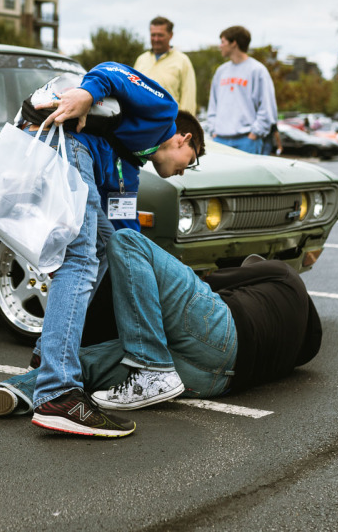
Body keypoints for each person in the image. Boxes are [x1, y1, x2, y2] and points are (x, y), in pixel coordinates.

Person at [0, 229, 321, 418]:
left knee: (128, 242)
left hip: (221, 333)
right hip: (218, 381)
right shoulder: (299, 348)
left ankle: (151, 367)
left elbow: (210, 284)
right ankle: (16, 395)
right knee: (85, 365)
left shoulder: (282, 275)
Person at [20, 63, 205, 437]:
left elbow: (125, 239)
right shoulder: (164, 111)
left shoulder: (130, 164)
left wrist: (159, 272)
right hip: (66, 142)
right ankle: (58, 391)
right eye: (193, 159)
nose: (186, 170)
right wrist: (88, 94)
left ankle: (46, 352)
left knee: (105, 247)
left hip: (56, 147)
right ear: (183, 139)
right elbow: (113, 71)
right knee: (81, 260)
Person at [206, 25, 281, 156]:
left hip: (246, 141)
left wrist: (254, 134)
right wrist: (213, 130)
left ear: (234, 43)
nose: (220, 46)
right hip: (219, 140)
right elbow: (213, 104)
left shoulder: (257, 70)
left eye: (223, 42)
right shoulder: (221, 71)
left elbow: (267, 106)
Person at [132, 16, 197, 114]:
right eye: (153, 35)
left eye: (160, 35)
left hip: (171, 125)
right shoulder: (141, 60)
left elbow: (188, 98)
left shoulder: (182, 61)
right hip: (142, 124)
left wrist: (185, 126)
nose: (156, 39)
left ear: (170, 35)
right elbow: (133, 92)